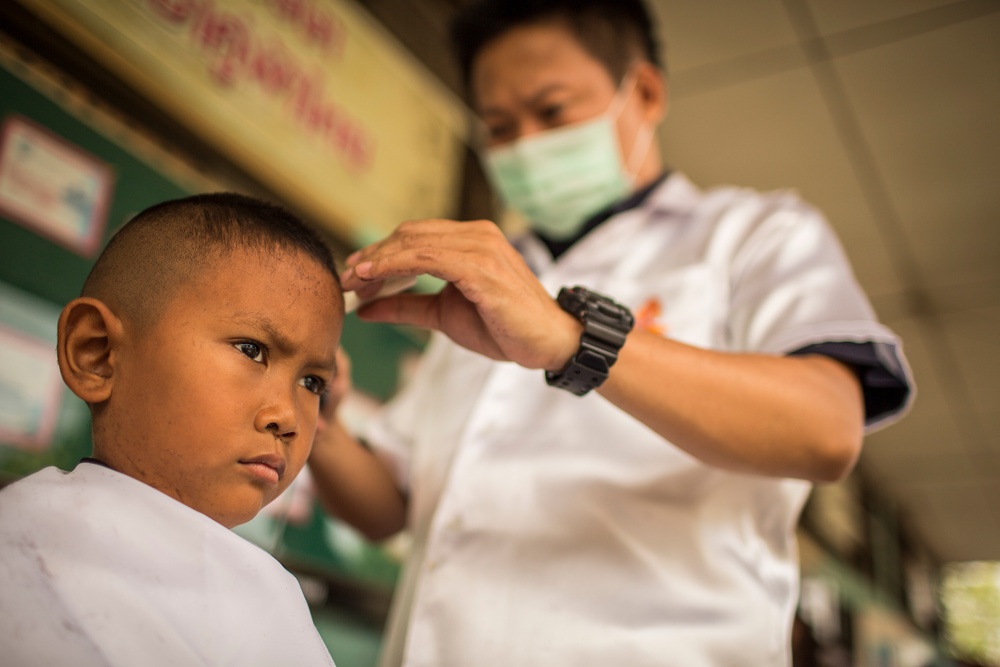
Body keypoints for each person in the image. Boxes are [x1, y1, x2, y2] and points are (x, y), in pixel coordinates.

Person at [308, 1, 915, 665]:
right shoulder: (488, 280)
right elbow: (393, 508)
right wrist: (318, 419)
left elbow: (826, 428)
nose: (525, 147)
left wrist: (574, 340)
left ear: (645, 93)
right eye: (500, 127)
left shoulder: (750, 237)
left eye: (553, 111)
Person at [0, 193, 342, 667]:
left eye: (312, 382)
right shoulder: (19, 544)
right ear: (96, 353)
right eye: (251, 349)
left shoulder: (264, 594)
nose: (286, 416)